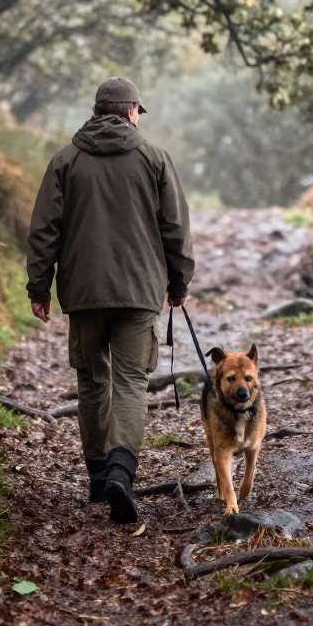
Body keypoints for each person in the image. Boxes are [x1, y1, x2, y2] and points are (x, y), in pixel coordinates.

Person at [25, 77, 194, 524]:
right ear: (131, 111)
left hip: (83, 292)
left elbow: (45, 231)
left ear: (98, 110)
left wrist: (38, 288)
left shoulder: (66, 160)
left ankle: (99, 476)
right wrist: (179, 282)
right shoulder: (155, 159)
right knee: (132, 381)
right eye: (139, 110)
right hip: (138, 293)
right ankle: (122, 469)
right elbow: (174, 228)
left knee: (92, 381)